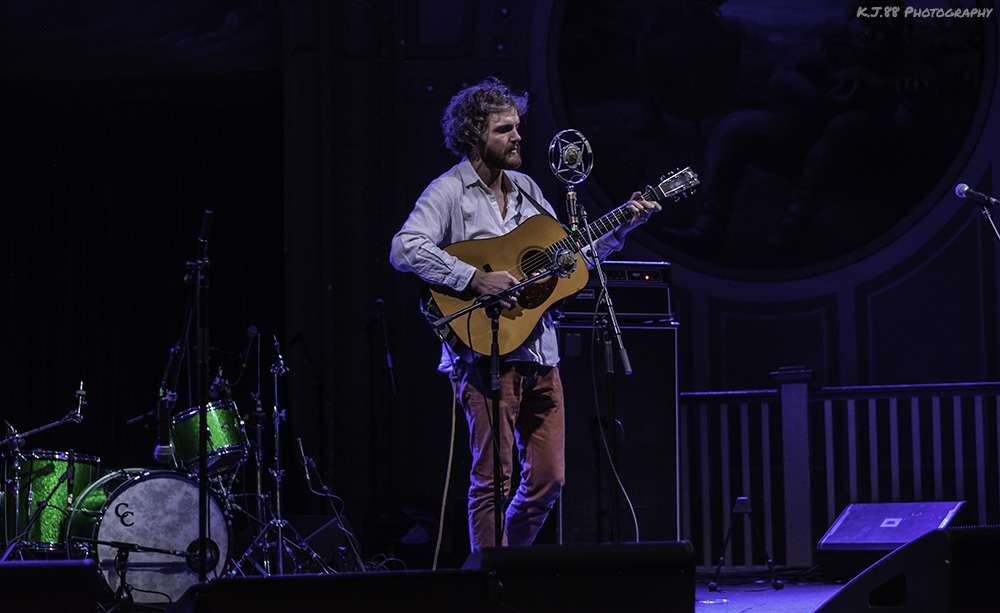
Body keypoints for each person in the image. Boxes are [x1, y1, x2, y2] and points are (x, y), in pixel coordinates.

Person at [390, 77, 660, 551]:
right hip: (484, 357)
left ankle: (502, 567)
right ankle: (490, 585)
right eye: (504, 129)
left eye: (517, 127)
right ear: (475, 136)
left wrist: (622, 226)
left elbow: (566, 258)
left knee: (549, 481)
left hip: (541, 350)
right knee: (493, 479)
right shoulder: (449, 191)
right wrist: (474, 278)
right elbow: (405, 248)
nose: (518, 137)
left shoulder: (530, 190)